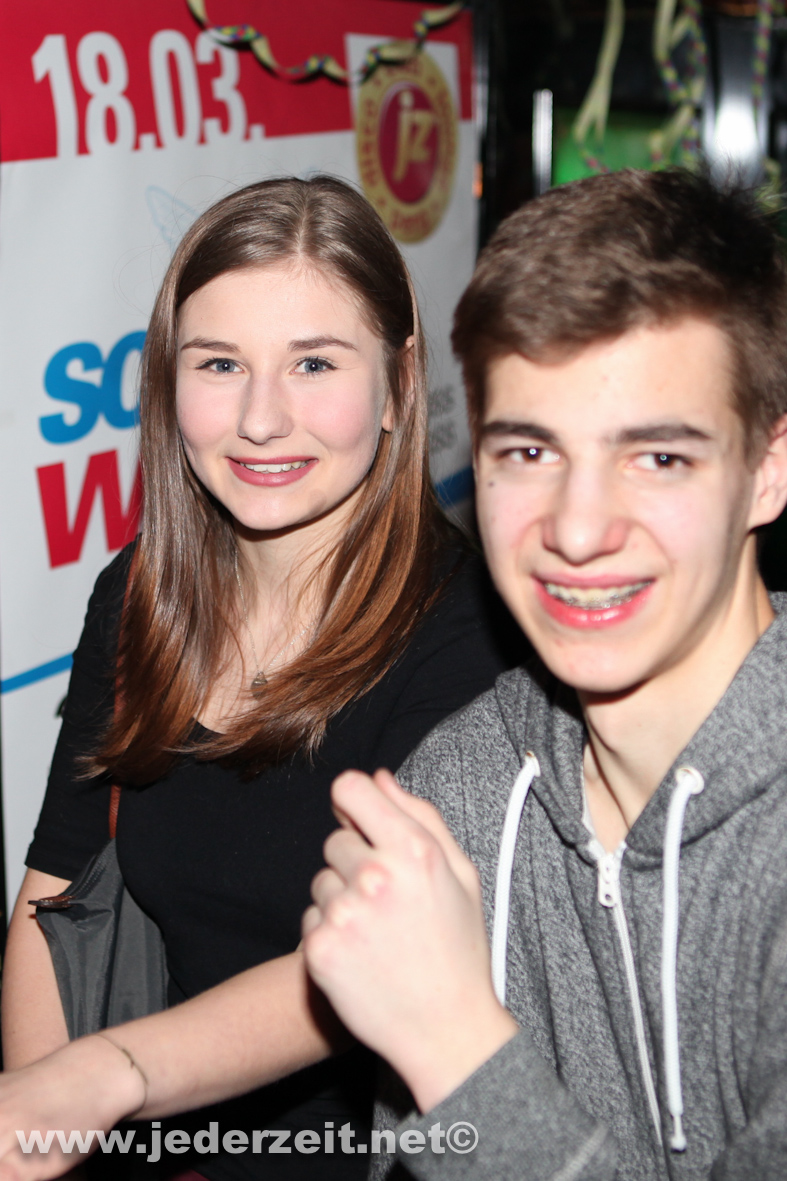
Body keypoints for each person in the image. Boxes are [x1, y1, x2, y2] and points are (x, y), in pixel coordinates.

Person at [0, 175, 522, 1181]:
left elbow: (368, 960)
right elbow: (51, 897)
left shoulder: (470, 636)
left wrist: (101, 1077)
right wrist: (44, 1127)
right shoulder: (140, 594)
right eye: (219, 363)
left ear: (397, 384)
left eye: (313, 363)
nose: (260, 418)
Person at [302, 168, 787, 1179]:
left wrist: (454, 1045)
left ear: (767, 470)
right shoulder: (459, 791)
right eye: (528, 451)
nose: (575, 528)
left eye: (658, 457)